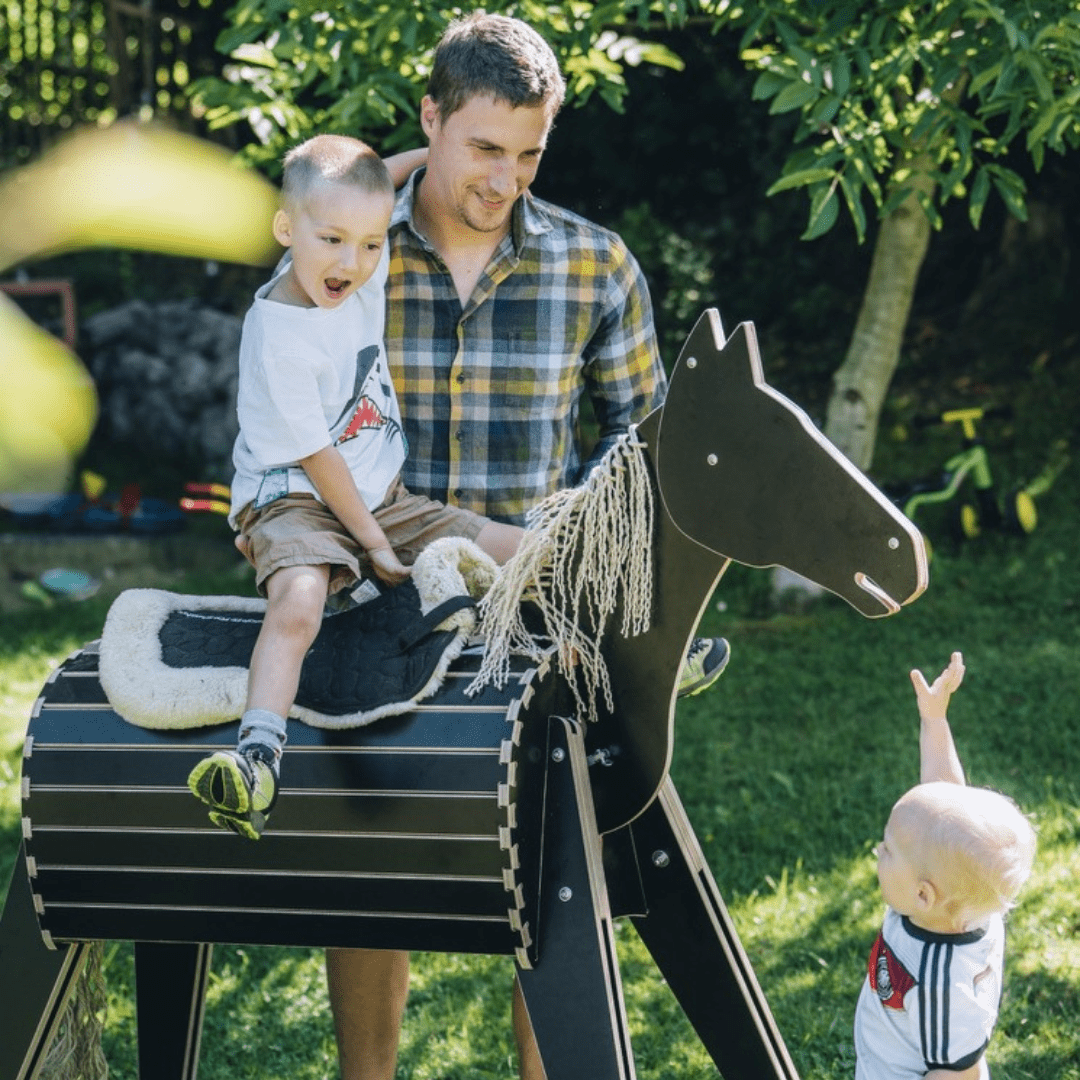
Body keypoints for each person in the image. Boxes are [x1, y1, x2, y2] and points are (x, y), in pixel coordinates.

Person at [324, 13, 728, 1080]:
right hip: (377, 600)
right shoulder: (345, 255)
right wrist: (378, 182)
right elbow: (276, 385)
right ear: (431, 122)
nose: (506, 179)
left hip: (535, 624)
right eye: (484, 149)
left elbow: (649, 466)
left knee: (553, 877)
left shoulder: (595, 267)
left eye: (530, 152)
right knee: (371, 869)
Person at [186, 133, 522, 840]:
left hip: (381, 495)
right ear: (288, 231)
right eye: (334, 239)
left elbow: (382, 180)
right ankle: (256, 758)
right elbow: (317, 459)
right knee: (300, 603)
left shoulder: (358, 263)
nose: (353, 262)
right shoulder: (280, 336)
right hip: (293, 496)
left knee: (520, 548)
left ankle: (626, 645)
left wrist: (431, 152)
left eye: (371, 243)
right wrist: (372, 544)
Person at [855, 652, 1036, 1079]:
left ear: (924, 893)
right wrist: (935, 721)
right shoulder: (961, 903)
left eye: (889, 850)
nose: (879, 853)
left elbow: (957, 1075)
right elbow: (946, 804)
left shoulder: (942, 988)